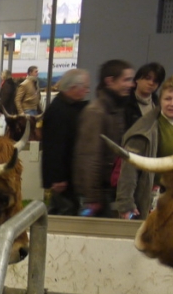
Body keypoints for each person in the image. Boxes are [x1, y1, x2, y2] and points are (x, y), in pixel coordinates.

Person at [73, 59, 134, 217]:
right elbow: (89, 157)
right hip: (98, 194)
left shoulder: (115, 109)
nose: (131, 84)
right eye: (126, 80)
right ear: (110, 81)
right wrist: (93, 196)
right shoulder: (96, 112)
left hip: (106, 191)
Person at [116, 75, 173, 220]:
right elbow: (129, 169)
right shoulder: (144, 130)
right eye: (168, 99)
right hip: (159, 201)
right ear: (160, 100)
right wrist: (125, 204)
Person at [40, 68, 90, 216]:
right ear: (73, 88)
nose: (87, 91)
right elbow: (54, 147)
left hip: (68, 176)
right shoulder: (58, 111)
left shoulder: (70, 107)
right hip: (62, 179)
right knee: (64, 212)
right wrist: (58, 178)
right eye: (85, 88)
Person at [123, 62, 166, 131]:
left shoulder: (159, 105)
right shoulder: (125, 103)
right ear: (137, 79)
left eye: (155, 81)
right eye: (147, 78)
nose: (151, 83)